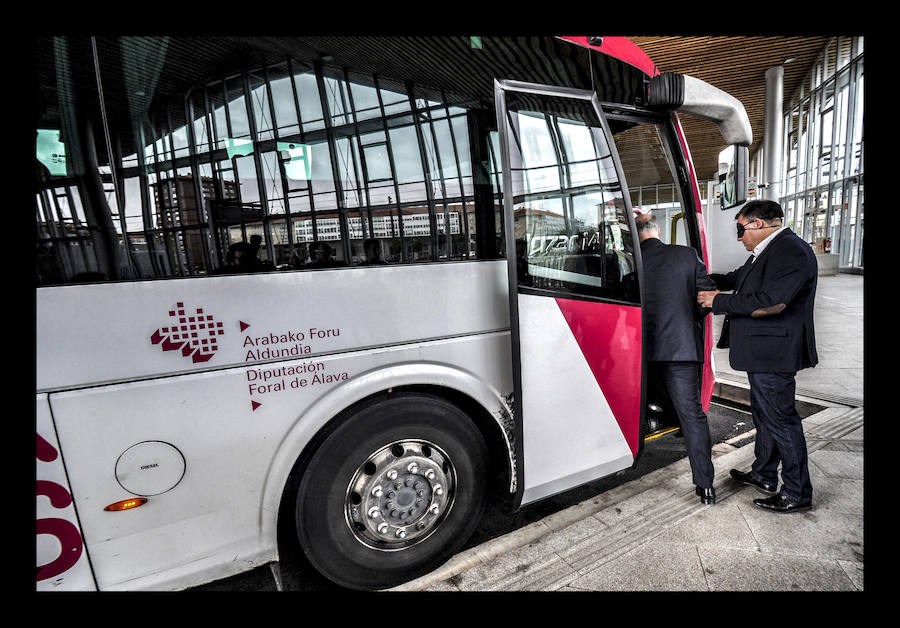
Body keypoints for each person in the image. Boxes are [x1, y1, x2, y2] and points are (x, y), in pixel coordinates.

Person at [697, 199, 817, 513]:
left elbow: (771, 303)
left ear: (758, 224)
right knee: (765, 417)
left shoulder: (791, 250)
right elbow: (737, 279)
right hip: (762, 352)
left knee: (781, 421)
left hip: (774, 353)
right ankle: (764, 474)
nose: (739, 237)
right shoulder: (766, 252)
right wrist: (696, 273)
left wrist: (717, 302)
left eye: (741, 229)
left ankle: (797, 492)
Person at [636, 212, 718, 505]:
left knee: (637, 409)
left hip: (638, 352)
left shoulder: (630, 263)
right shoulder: (686, 255)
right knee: (692, 415)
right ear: (657, 229)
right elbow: (706, 299)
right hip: (680, 348)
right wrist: (689, 320)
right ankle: (705, 486)